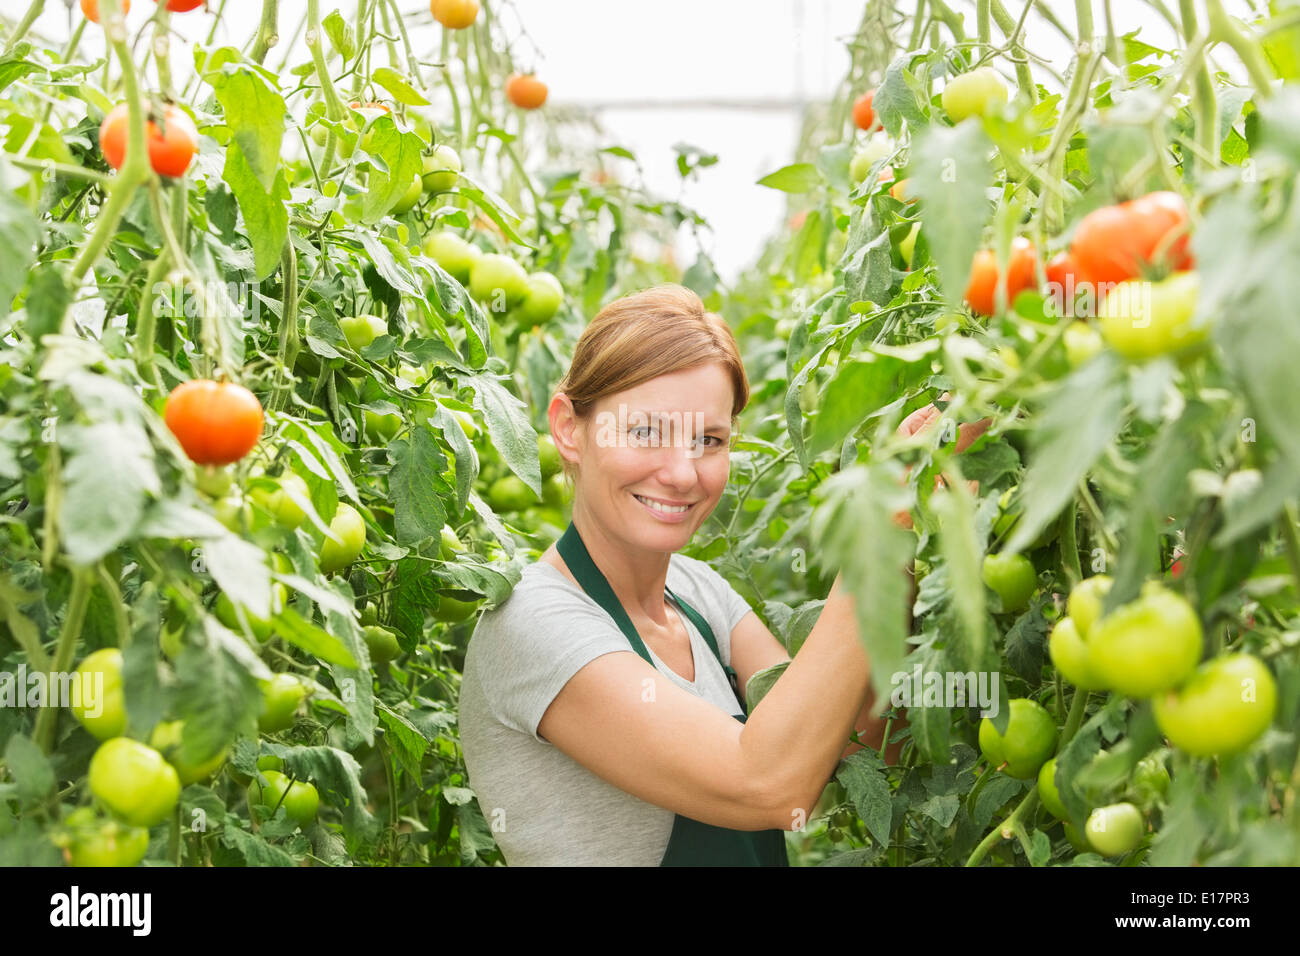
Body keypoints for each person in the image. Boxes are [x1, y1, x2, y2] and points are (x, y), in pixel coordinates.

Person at [458, 284, 977, 866]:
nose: (682, 473)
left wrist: (918, 530)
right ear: (569, 429)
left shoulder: (701, 595)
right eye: (646, 431)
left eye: (709, 440)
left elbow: (860, 739)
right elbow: (770, 783)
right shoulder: (532, 624)